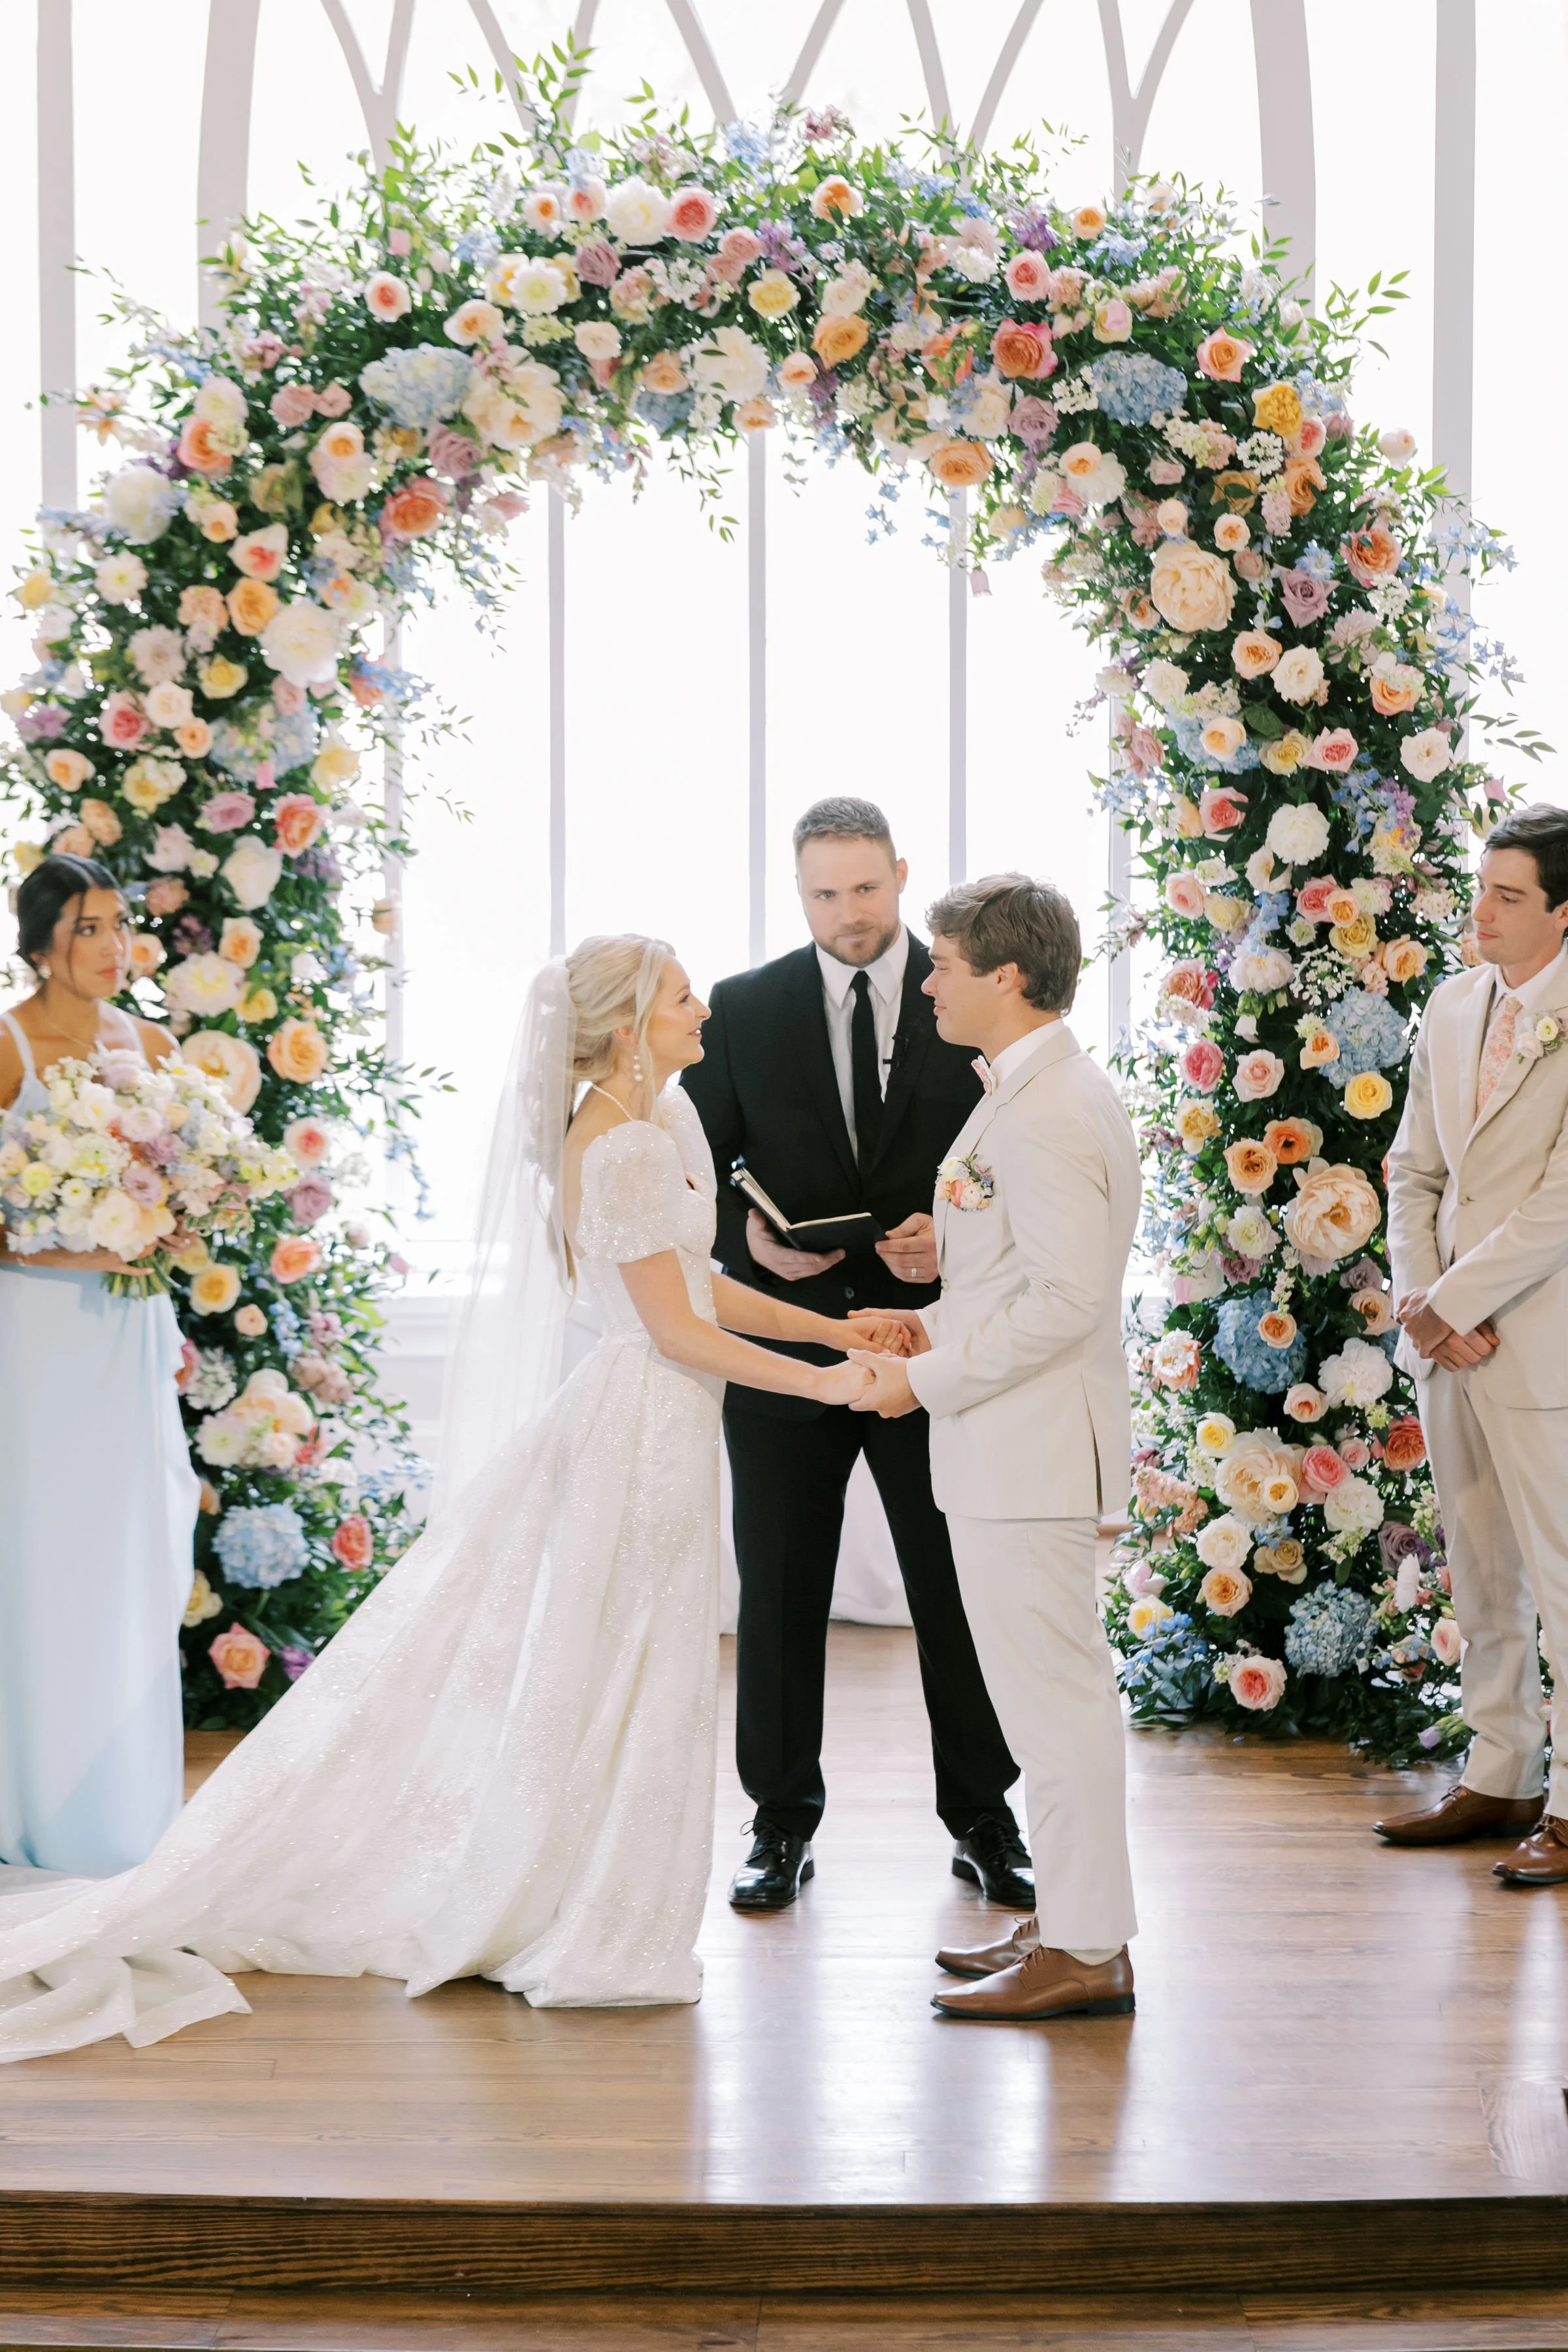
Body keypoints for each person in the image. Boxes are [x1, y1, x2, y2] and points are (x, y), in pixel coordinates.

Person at [0, 934, 911, 2061]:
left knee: (642, 1659)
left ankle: (592, 1886)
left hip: (669, 1418)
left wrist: (839, 1330)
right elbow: (676, 1331)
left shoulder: (658, 1121)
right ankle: (581, 1906)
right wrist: (827, 1383)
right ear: (628, 1025)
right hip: (641, 1422)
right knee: (624, 1657)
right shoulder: (619, 1143)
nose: (704, 1013)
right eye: (683, 998)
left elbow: (705, 1285)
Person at [682, 798, 1028, 1914]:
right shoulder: (740, 1008)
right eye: (825, 893)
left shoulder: (966, 991)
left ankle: (985, 1817)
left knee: (954, 1588)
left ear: (901, 875)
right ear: (799, 893)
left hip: (936, 1350)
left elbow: (1022, 1164)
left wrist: (951, 1239)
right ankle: (778, 1821)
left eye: (867, 888)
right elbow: (691, 1174)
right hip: (786, 1357)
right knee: (779, 1594)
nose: (849, 913)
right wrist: (749, 1244)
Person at [851, 875, 1142, 2021]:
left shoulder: (1052, 1106)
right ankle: (1069, 1918)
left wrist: (920, 1379)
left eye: (943, 965)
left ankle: (1088, 1950)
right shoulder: (1026, 1090)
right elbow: (1015, 1274)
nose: (927, 984)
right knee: (1043, 1706)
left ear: (1006, 975)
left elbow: (1069, 1299)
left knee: (1056, 1709)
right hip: (1009, 1446)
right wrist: (932, 1310)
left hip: (1030, 1456)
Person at [0, 853, 198, 1878]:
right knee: (41, 1562)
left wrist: (176, 1223)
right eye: (87, 927)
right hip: (38, 1340)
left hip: (128, 1333)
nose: (114, 946)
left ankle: (120, 1809)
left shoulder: (151, 1046)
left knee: (130, 1556)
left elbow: (187, 1181)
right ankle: (29, 1806)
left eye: (120, 924)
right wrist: (81, 1248)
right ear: (40, 943)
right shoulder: (9, 1045)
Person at [1380, 804, 1568, 1884]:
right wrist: (1423, 1301)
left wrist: (1456, 1300)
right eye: (1481, 888)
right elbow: (1413, 1171)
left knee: (1562, 1574)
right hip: (1447, 1341)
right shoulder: (1454, 1004)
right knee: (1482, 1570)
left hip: (1540, 1339)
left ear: (1563, 911)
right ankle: (1502, 1771)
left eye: (1509, 896)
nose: (1482, 913)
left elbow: (1558, 1205)